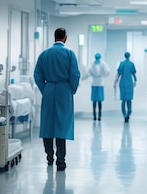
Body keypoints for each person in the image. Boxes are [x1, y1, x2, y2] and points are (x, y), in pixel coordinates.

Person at [34, 27, 81, 171]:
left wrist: (45, 89)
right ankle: (61, 161)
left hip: (49, 90)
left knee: (48, 124)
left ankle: (49, 156)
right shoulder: (69, 54)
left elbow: (37, 75)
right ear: (65, 38)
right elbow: (75, 75)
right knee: (62, 125)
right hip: (64, 91)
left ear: (55, 37)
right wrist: (71, 89)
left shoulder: (44, 54)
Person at [114, 51, 137, 122]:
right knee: (129, 100)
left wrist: (115, 82)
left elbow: (118, 74)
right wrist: (135, 81)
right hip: (129, 83)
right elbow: (134, 74)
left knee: (123, 100)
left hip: (123, 83)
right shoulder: (131, 64)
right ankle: (128, 113)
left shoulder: (122, 64)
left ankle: (124, 115)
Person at [87, 52, 110, 121]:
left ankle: (98, 116)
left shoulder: (102, 64)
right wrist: (101, 75)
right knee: (96, 101)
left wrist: (98, 75)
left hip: (98, 83)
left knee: (98, 101)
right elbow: (88, 71)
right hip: (97, 83)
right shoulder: (94, 64)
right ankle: (96, 116)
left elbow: (107, 71)